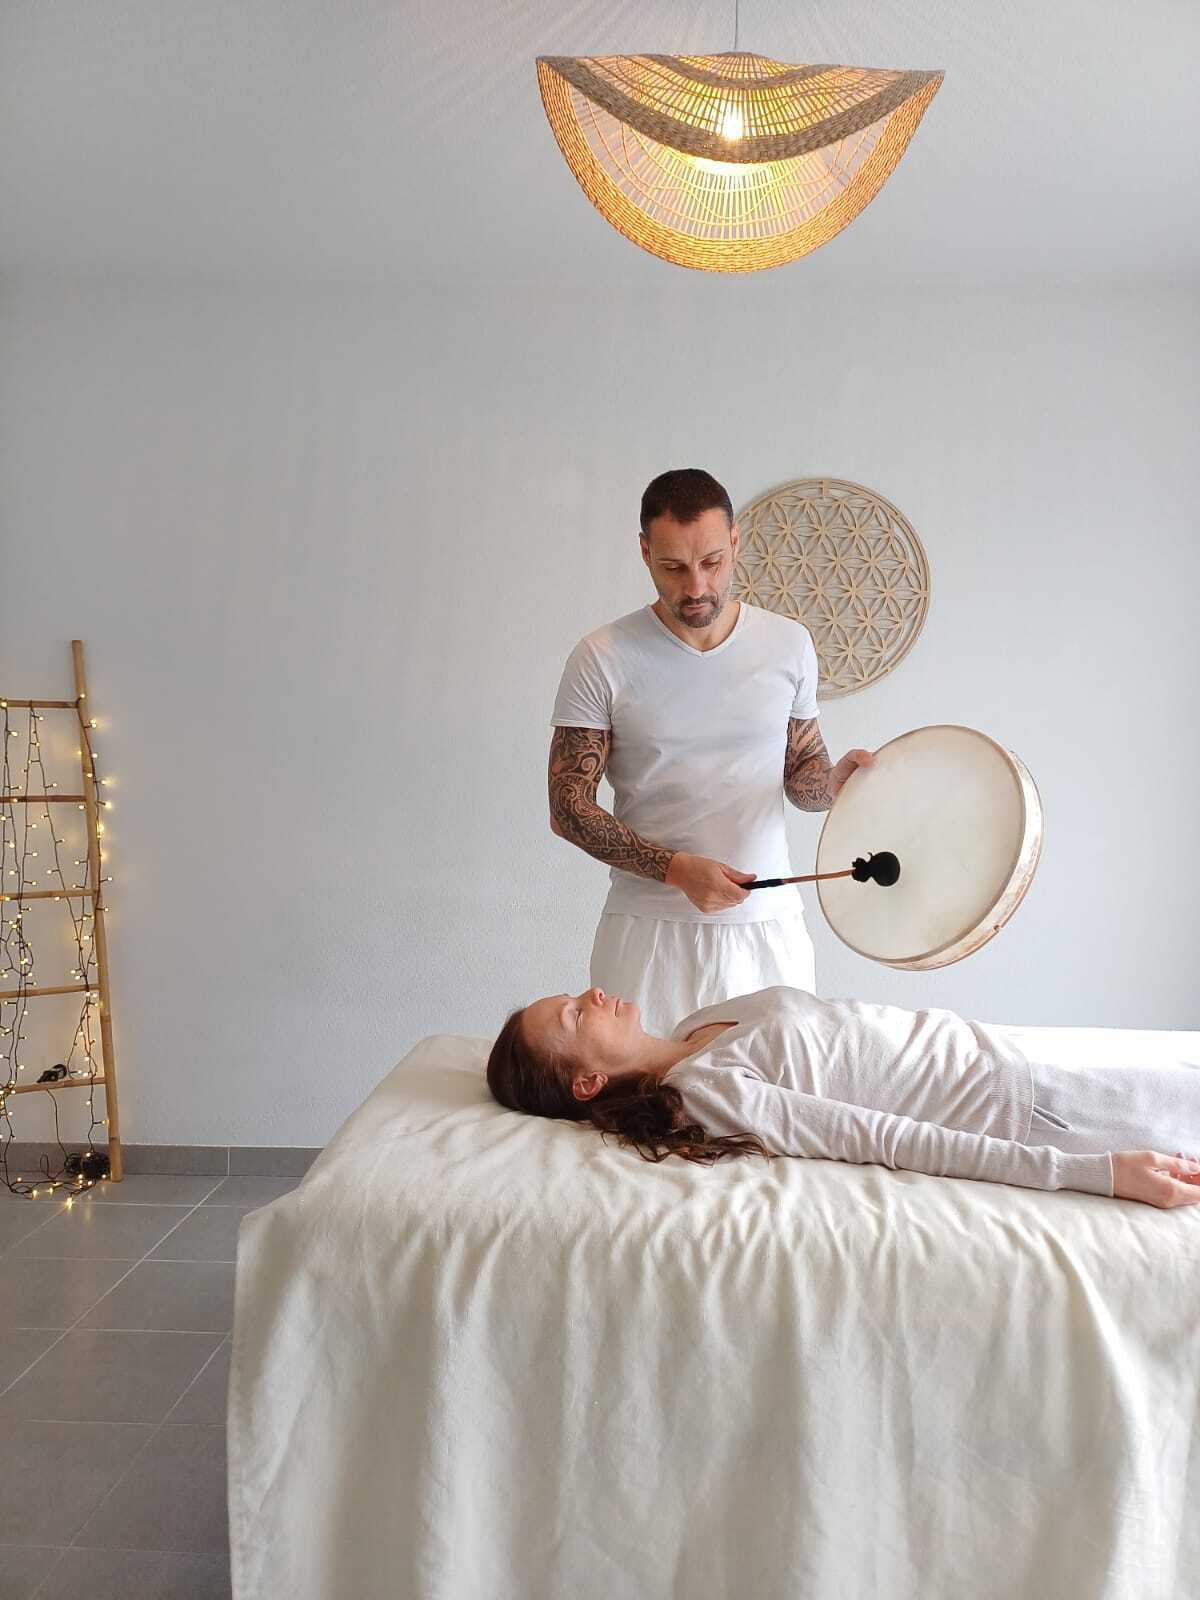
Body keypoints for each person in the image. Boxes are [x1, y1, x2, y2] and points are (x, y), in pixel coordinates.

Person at [548, 467, 874, 1035]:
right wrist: (675, 871)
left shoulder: (789, 644)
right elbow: (567, 806)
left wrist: (833, 786)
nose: (696, 587)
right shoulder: (602, 656)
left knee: (777, 1084)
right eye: (673, 567)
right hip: (647, 933)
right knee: (645, 1088)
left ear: (736, 542)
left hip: (768, 929)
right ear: (645, 552)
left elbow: (802, 774)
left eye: (712, 562)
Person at [485, 983, 1200, 1209]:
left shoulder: (699, 1025)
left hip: (1008, 1055)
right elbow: (883, 1139)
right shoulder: (705, 1092)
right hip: (1029, 1111)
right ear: (587, 1082)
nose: (592, 995)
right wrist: (1095, 1172)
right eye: (573, 1016)